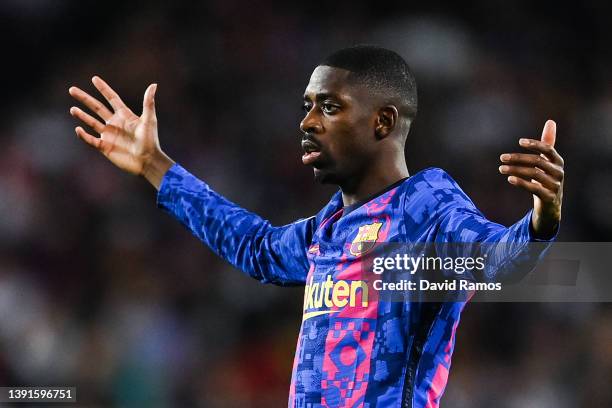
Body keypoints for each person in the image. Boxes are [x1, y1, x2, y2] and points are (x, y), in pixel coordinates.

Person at [69, 46, 564, 408]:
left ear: (382, 122)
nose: (307, 121)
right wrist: (155, 165)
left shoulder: (425, 206)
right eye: (306, 105)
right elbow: (256, 247)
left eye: (328, 106)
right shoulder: (329, 227)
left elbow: (497, 261)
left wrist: (542, 219)